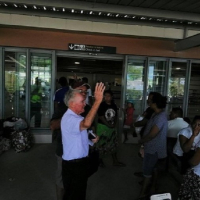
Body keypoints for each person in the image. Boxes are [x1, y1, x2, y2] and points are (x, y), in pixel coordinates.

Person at [50, 81, 94, 200]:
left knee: (77, 186)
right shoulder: (64, 108)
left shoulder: (86, 107)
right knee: (62, 181)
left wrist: (90, 137)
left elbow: (88, 127)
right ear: (72, 93)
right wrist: (68, 123)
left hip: (80, 151)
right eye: (81, 91)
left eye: (85, 92)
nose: (84, 94)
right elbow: (53, 125)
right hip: (64, 150)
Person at [61, 82, 105, 200]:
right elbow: (86, 124)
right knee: (74, 195)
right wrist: (97, 101)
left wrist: (92, 138)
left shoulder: (77, 117)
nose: (85, 104)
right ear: (72, 104)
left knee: (78, 194)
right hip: (73, 166)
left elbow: (81, 134)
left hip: (80, 163)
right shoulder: (69, 118)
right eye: (81, 102)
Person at [138, 92, 168, 199]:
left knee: (147, 172)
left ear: (155, 102)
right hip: (152, 148)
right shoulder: (156, 114)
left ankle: (143, 194)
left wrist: (141, 141)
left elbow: (152, 134)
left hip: (153, 149)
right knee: (153, 170)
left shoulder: (160, 117)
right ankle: (153, 188)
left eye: (150, 99)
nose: (148, 101)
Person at [96, 90, 125, 167]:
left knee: (113, 144)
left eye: (108, 96)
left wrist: (114, 124)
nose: (106, 97)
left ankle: (115, 161)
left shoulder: (114, 105)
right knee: (101, 144)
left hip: (111, 127)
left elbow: (115, 115)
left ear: (111, 97)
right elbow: (101, 117)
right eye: (105, 96)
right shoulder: (102, 105)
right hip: (102, 127)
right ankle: (100, 161)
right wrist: (108, 125)